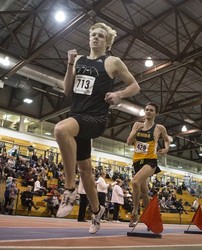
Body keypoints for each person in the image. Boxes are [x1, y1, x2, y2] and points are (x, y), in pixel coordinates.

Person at [53, 22, 140, 234]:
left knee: (60, 130)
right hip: (77, 117)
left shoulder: (112, 61)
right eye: (93, 34)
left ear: (107, 42)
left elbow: (135, 86)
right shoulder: (80, 60)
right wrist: (70, 64)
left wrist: (119, 95)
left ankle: (69, 189)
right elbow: (67, 91)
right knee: (85, 171)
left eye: (101, 36)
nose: (95, 38)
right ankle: (96, 211)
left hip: (96, 119)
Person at [126, 102, 170, 227]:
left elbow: (167, 140)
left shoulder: (159, 128)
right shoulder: (137, 125)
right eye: (147, 109)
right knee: (144, 192)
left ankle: (135, 213)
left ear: (156, 113)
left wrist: (166, 149)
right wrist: (135, 132)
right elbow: (129, 142)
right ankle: (150, 218)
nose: (148, 112)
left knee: (134, 182)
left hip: (150, 161)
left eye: (151, 110)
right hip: (137, 162)